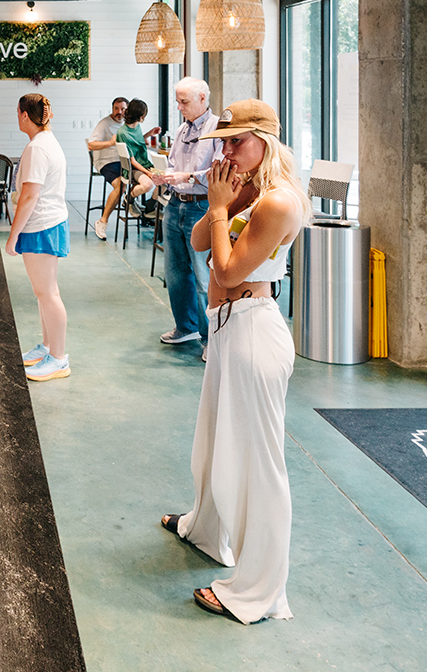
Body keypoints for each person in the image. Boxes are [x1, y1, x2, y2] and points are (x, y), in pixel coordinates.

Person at [160, 99, 310, 625]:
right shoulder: (249, 192)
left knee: (258, 468)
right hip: (227, 332)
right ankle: (205, 529)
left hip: (252, 330)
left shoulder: (278, 203)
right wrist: (221, 201)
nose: (226, 150)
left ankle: (259, 592)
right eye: (222, 141)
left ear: (264, 142)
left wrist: (225, 207)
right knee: (212, 442)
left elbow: (223, 272)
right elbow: (202, 239)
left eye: (237, 141)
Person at [149, 77, 222, 352]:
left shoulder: (217, 130)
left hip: (201, 206)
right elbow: (172, 164)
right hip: (175, 203)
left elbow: (218, 172)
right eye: (177, 101)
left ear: (203, 99)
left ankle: (210, 339)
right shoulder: (181, 130)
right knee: (176, 272)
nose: (179, 106)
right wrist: (164, 177)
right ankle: (186, 327)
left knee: (204, 276)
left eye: (184, 101)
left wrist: (188, 175)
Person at [7, 93, 70, 382]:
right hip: (48, 222)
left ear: (23, 115)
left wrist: (12, 236)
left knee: (48, 293)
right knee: (43, 293)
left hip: (41, 224)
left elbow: (30, 195)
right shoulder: (45, 142)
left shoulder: (37, 148)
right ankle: (47, 348)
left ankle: (58, 359)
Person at [87, 96, 126, 240]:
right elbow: (91, 145)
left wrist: (149, 135)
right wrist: (110, 143)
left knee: (144, 176)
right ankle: (102, 222)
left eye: (122, 109)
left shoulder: (127, 124)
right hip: (106, 162)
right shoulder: (105, 123)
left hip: (123, 161)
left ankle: (133, 204)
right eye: (116, 108)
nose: (119, 112)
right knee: (121, 185)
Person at [114, 98, 162, 213]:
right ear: (140, 117)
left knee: (165, 180)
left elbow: (137, 143)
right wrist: (148, 173)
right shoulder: (123, 133)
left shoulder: (136, 127)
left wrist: (149, 134)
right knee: (148, 185)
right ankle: (129, 198)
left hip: (144, 165)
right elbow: (132, 161)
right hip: (133, 169)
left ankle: (150, 207)